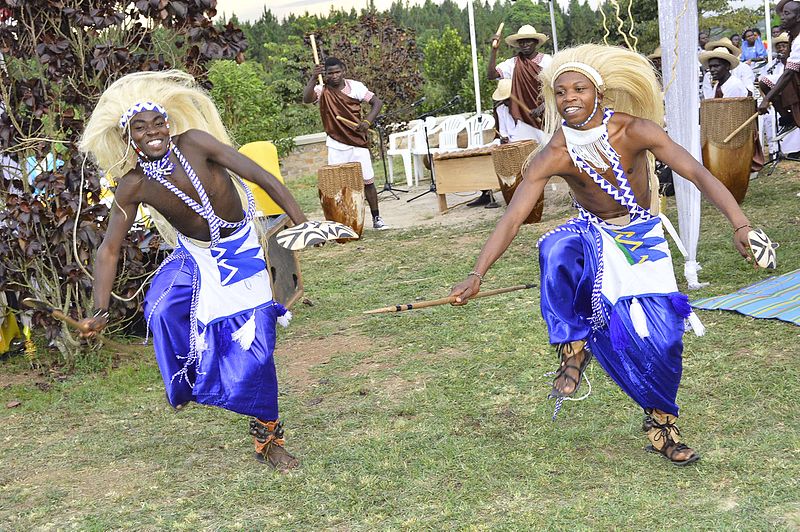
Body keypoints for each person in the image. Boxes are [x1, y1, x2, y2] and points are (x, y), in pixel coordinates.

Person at [450, 44, 758, 466]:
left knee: (664, 341)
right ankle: (573, 347)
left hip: (642, 237)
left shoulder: (635, 131)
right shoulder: (555, 152)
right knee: (556, 247)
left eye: (579, 89)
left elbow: (697, 173)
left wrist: (740, 223)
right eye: (561, 92)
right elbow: (513, 218)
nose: (569, 98)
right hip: (594, 235)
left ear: (599, 94)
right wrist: (477, 273)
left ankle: (661, 424)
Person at [78, 70, 308, 471]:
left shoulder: (195, 143)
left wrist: (301, 222)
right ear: (129, 136)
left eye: (158, 122)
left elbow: (260, 176)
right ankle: (186, 383)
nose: (153, 131)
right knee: (162, 309)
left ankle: (268, 438)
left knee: (257, 348)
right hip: (196, 256)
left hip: (240, 251)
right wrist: (99, 310)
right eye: (140, 127)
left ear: (169, 124)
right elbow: (109, 249)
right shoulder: (133, 185)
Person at [302, 57, 388, 230]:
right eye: (330, 73)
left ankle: (376, 217)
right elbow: (306, 98)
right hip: (336, 142)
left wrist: (367, 122)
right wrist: (313, 77)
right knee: (338, 184)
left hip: (357, 141)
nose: (334, 76)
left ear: (343, 71)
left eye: (337, 72)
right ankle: (343, 222)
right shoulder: (322, 89)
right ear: (325, 74)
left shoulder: (355, 87)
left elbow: (377, 103)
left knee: (367, 181)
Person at [488, 24, 552, 145]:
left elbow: (555, 88)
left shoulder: (547, 61)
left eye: (528, 41)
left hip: (545, 115)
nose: (525, 45)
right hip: (523, 116)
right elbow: (491, 75)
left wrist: (543, 107)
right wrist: (494, 51)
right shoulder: (513, 63)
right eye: (522, 42)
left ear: (535, 42)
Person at [759, 0, 800, 136]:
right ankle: (788, 119)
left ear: (798, 17)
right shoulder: (793, 37)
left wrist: (766, 99)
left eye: (786, 13)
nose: (782, 17)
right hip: (796, 81)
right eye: (782, 13)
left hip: (795, 80)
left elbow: (789, 73)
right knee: (765, 82)